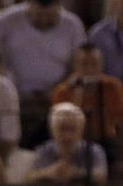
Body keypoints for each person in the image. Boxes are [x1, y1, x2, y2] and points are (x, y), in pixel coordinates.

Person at [0, 0, 86, 148]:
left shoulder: (72, 24)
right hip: (15, 96)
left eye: (50, 16)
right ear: (29, 6)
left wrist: (58, 90)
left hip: (58, 97)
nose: (44, 20)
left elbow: (80, 64)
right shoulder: (11, 18)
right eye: (39, 16)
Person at [50, 43, 123, 171]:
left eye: (94, 64)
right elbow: (60, 128)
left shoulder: (113, 87)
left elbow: (120, 124)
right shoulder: (63, 92)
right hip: (74, 145)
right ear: (75, 66)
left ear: (101, 66)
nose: (89, 69)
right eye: (84, 64)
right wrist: (78, 94)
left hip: (107, 144)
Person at [26, 101, 107, 183]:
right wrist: (49, 172)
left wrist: (76, 173)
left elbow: (102, 176)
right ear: (52, 130)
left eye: (72, 129)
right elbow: (28, 178)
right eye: (62, 129)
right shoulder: (44, 151)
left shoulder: (93, 150)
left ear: (81, 131)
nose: (67, 136)